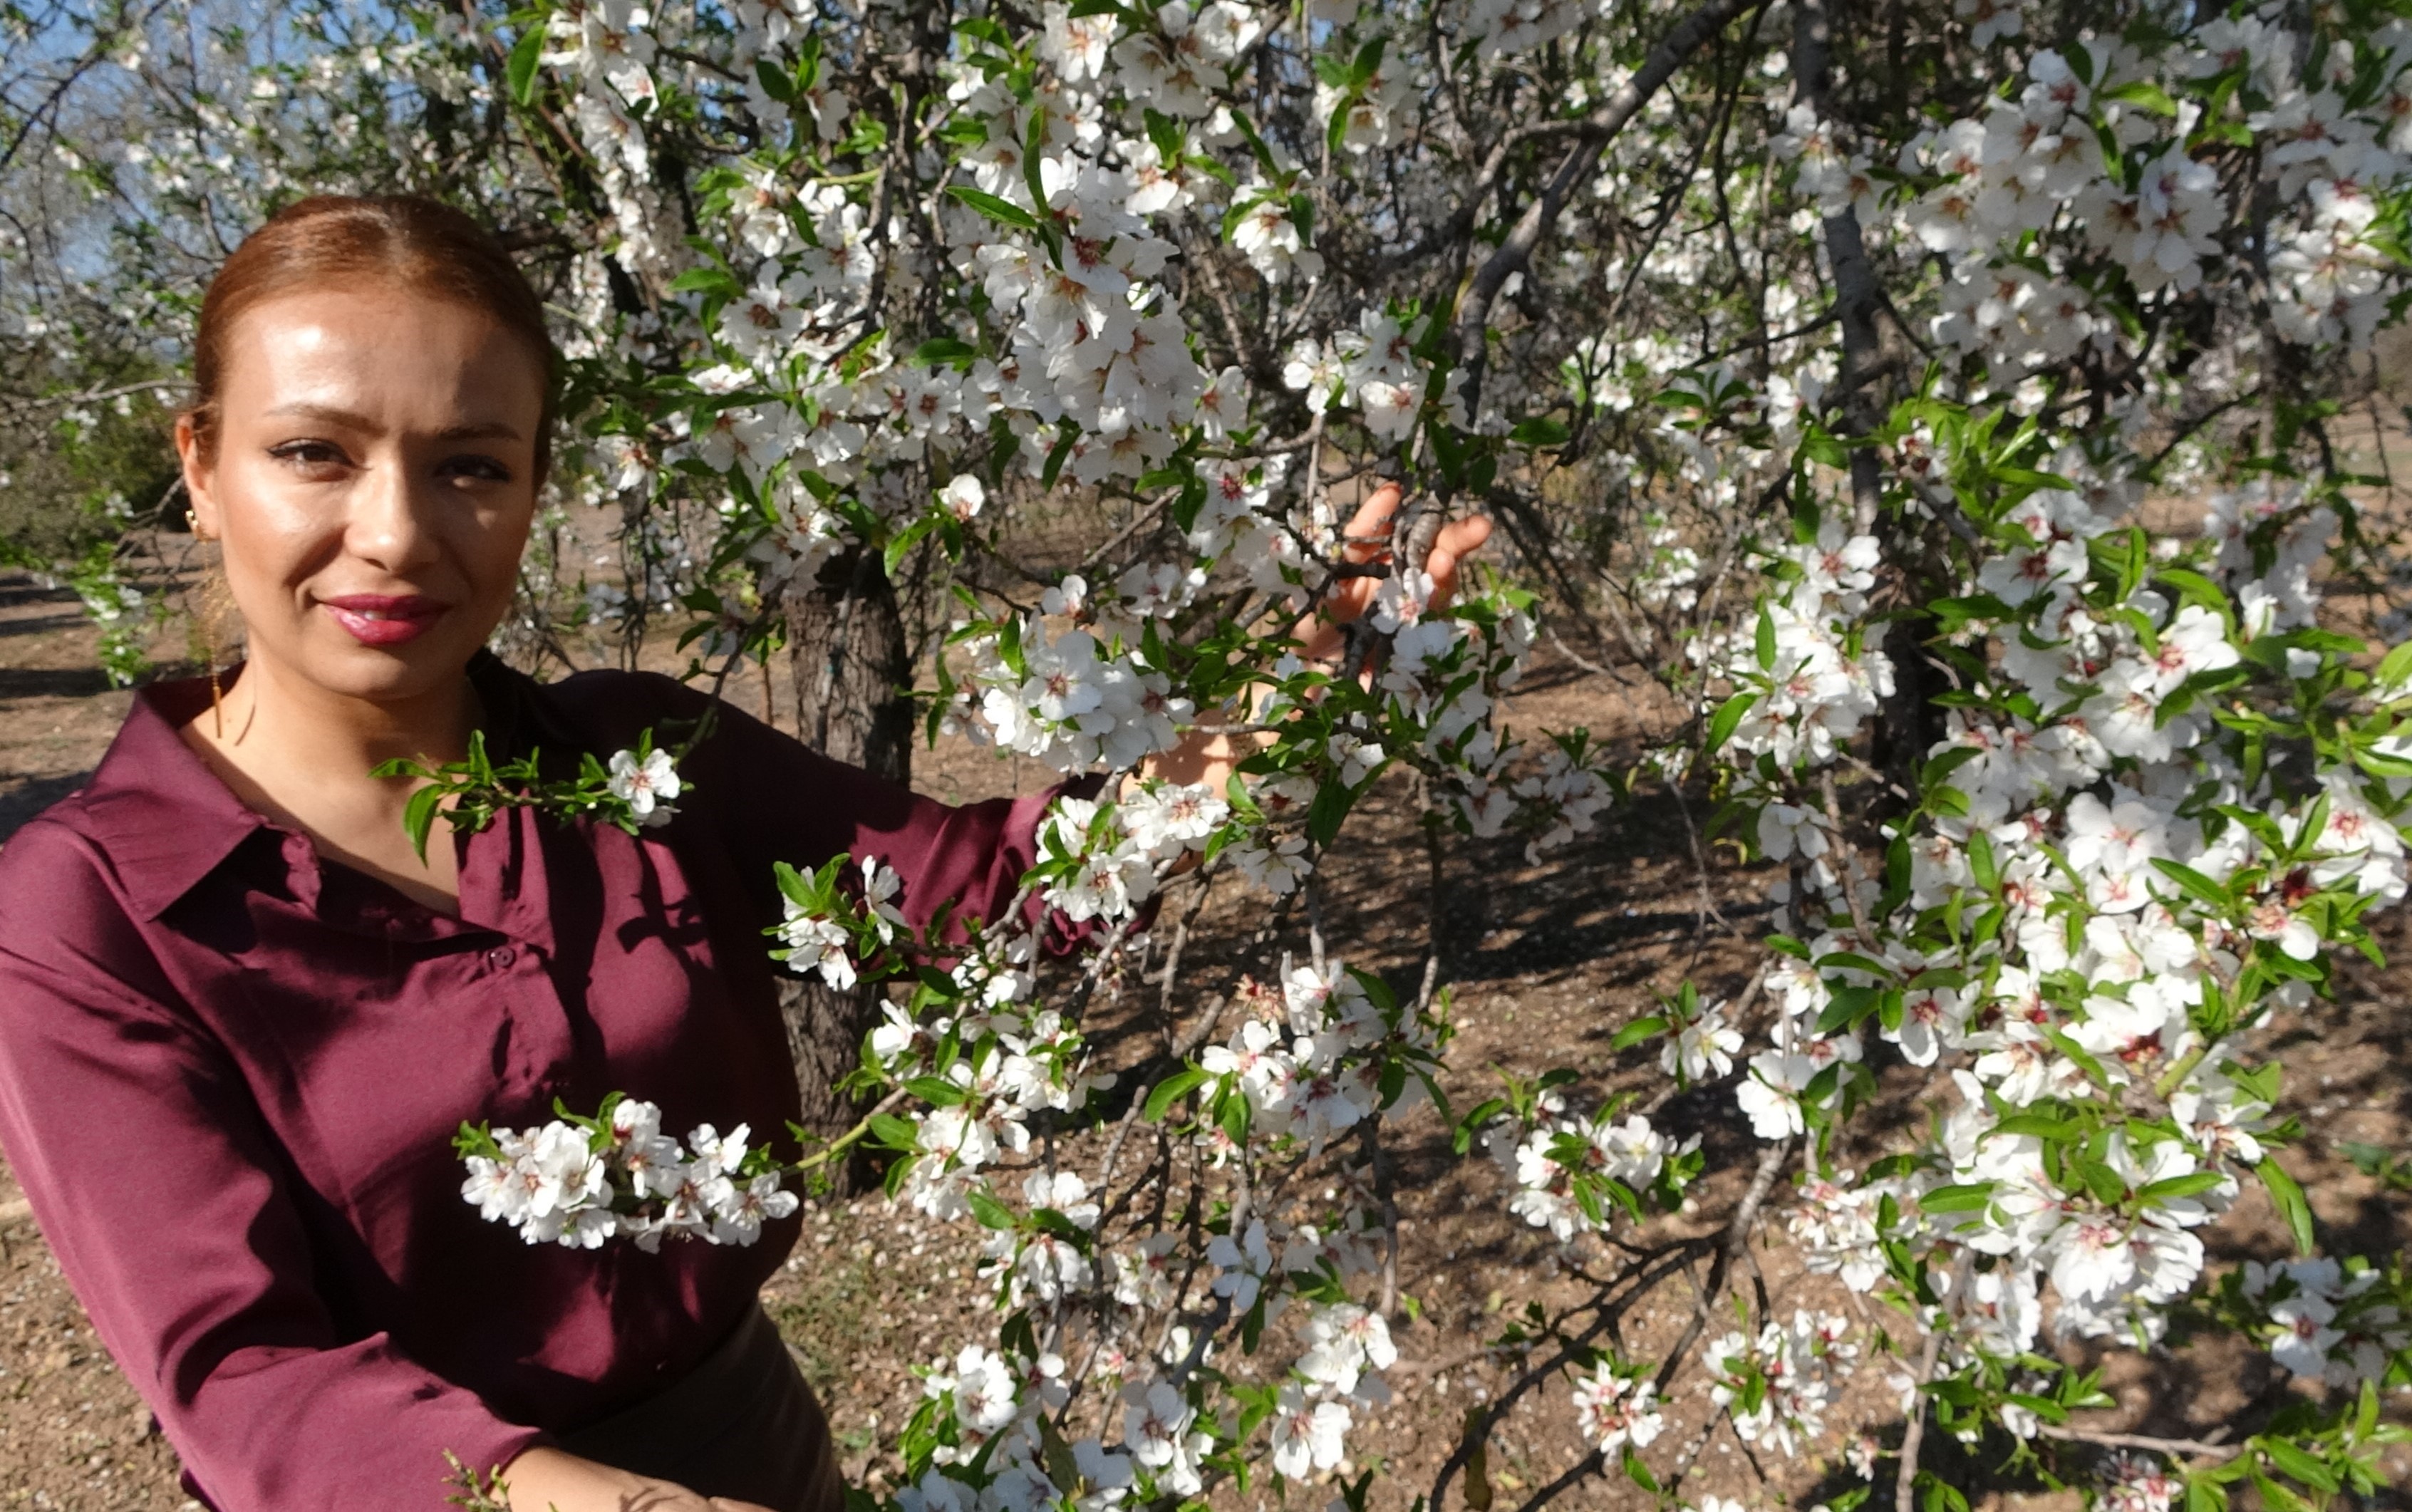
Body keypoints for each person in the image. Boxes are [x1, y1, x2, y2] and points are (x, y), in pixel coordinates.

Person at [0, 195, 1489, 1511]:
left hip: (751, 1445)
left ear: (531, 486)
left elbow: (977, 898)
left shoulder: (640, 761)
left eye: (470, 465)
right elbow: (247, 1370)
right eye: (313, 452)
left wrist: (1220, 757)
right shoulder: (94, 906)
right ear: (200, 467)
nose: (394, 532)